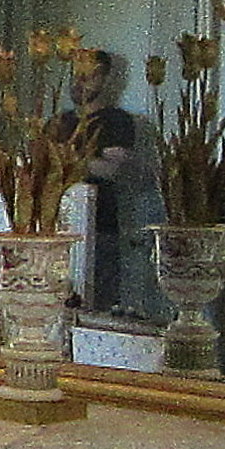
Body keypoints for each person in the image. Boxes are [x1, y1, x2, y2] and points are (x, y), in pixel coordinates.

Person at [48, 48, 151, 312]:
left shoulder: (116, 121)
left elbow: (112, 171)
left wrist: (68, 159)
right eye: (75, 76)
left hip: (99, 226)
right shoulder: (59, 121)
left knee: (95, 304)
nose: (79, 82)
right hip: (54, 225)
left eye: (88, 76)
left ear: (104, 79)